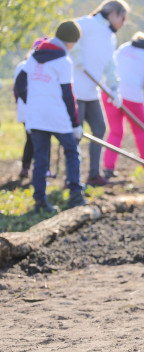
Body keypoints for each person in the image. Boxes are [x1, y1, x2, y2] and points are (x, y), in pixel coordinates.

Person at [14, 20, 85, 213]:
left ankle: (40, 201)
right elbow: (68, 95)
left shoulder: (34, 57)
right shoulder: (63, 61)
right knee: (71, 151)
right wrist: (75, 123)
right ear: (70, 42)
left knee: (41, 158)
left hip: (36, 116)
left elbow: (20, 84)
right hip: (57, 116)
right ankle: (75, 195)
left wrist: (34, 102)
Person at [70, 0, 129, 186]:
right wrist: (76, 56)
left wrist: (114, 88)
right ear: (113, 14)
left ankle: (94, 175)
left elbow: (110, 64)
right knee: (75, 134)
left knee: (99, 129)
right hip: (76, 90)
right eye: (123, 18)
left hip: (92, 91)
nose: (123, 23)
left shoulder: (110, 37)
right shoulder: (86, 23)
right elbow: (69, 34)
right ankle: (71, 179)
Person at [102, 30, 144, 176]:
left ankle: (108, 168)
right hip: (131, 96)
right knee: (141, 131)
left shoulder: (126, 47)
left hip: (109, 91)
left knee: (115, 131)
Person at [13, 37, 48, 179]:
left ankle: (26, 167)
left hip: (25, 108)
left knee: (31, 138)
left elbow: (16, 90)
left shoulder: (23, 65)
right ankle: (40, 169)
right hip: (32, 108)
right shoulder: (33, 65)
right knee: (39, 139)